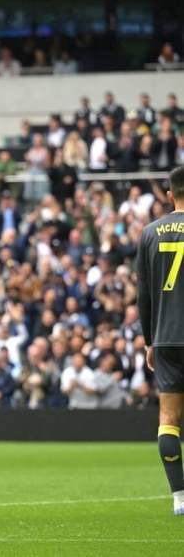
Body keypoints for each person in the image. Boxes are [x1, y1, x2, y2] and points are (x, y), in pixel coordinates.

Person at [136, 165, 184, 516]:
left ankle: (180, 497)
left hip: (166, 337)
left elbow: (144, 296)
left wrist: (148, 340)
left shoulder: (150, 232)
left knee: (168, 418)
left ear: (169, 195)